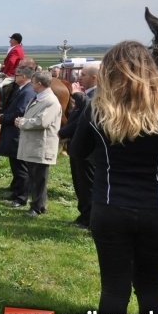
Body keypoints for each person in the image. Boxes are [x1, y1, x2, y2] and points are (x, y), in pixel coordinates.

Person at [70, 41, 158, 314]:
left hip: (110, 208)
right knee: (151, 289)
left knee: (113, 290)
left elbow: (77, 151)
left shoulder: (97, 109)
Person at [14, 71, 62, 217]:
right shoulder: (38, 98)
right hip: (33, 144)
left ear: (39, 84)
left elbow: (43, 121)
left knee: (39, 178)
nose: (31, 84)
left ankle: (36, 207)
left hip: (42, 145)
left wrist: (22, 122)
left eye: (33, 82)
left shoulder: (51, 101)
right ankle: (40, 205)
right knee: (34, 176)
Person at [0, 66, 36, 207]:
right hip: (13, 133)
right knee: (15, 165)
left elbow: (20, 111)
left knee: (21, 167)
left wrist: (3, 118)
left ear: (24, 77)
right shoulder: (21, 89)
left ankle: (21, 197)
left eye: (17, 74)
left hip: (18, 134)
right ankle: (16, 191)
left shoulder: (27, 91)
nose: (15, 76)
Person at [59, 91, 93, 228]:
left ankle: (88, 218)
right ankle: (83, 214)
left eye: (84, 75)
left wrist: (77, 93)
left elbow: (87, 112)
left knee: (87, 185)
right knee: (79, 184)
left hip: (87, 150)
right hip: (77, 147)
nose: (81, 77)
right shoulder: (87, 95)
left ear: (93, 78)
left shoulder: (93, 95)